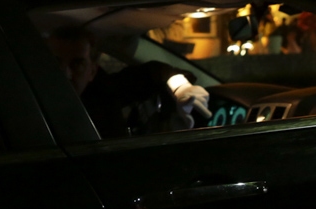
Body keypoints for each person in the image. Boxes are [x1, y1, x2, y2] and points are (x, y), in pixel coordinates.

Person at [45, 26, 210, 138]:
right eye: (55, 62)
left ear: (92, 71)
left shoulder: (104, 92)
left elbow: (154, 72)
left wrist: (180, 87)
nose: (65, 74)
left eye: (77, 64)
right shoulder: (31, 107)